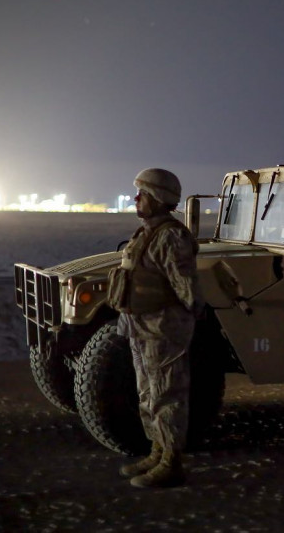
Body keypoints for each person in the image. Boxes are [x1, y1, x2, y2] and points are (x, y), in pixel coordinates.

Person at [108, 167, 203, 488]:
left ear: (159, 199)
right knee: (148, 394)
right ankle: (157, 449)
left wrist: (179, 330)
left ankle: (172, 462)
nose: (137, 199)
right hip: (141, 326)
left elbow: (187, 290)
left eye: (143, 194)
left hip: (163, 329)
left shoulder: (171, 237)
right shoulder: (147, 233)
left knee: (167, 394)